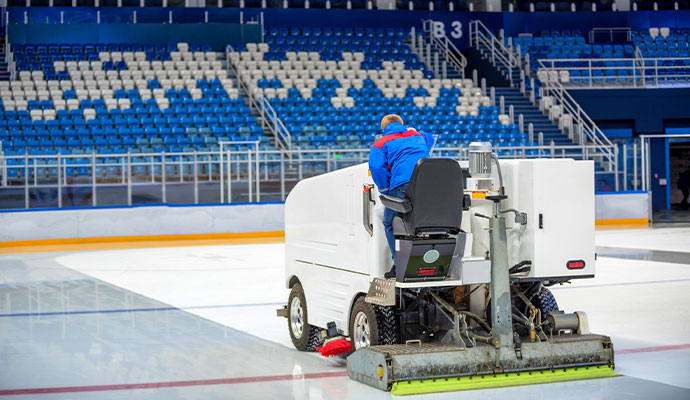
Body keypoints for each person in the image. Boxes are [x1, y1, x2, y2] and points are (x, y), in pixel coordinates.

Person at [368, 114, 435, 278]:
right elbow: (430, 138)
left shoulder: (380, 143)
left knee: (389, 222)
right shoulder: (417, 135)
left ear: (383, 128)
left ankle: (399, 266)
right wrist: (413, 130)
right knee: (423, 221)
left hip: (402, 185)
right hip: (427, 183)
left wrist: (385, 190)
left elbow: (376, 167)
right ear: (402, 124)